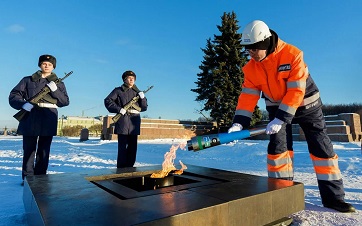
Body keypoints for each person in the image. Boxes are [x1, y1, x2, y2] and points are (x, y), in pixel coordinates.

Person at [228, 20, 355, 213]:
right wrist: (239, 123)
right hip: (277, 109)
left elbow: (296, 90)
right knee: (278, 151)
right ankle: (281, 198)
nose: (250, 53)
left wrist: (281, 119)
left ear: (264, 43)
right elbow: (248, 96)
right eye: (248, 49)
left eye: (254, 49)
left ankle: (334, 199)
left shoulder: (293, 55)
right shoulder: (251, 68)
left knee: (322, 149)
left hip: (307, 106)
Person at [9, 54, 69, 181]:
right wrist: (23, 104)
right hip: (31, 116)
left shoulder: (59, 84)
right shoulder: (28, 80)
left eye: (50, 64)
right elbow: (14, 95)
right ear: (40, 65)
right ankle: (28, 179)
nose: (46, 66)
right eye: (44, 63)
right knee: (29, 150)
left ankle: (40, 179)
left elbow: (65, 101)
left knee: (44, 150)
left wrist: (55, 90)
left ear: (53, 67)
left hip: (48, 117)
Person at [104, 70, 148, 168]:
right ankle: (121, 169)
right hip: (123, 121)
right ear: (124, 79)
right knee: (122, 148)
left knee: (133, 148)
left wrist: (143, 98)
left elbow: (144, 108)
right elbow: (108, 101)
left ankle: (130, 168)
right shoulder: (118, 90)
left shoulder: (138, 92)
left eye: (133, 78)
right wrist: (119, 109)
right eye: (129, 78)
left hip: (134, 123)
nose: (131, 79)